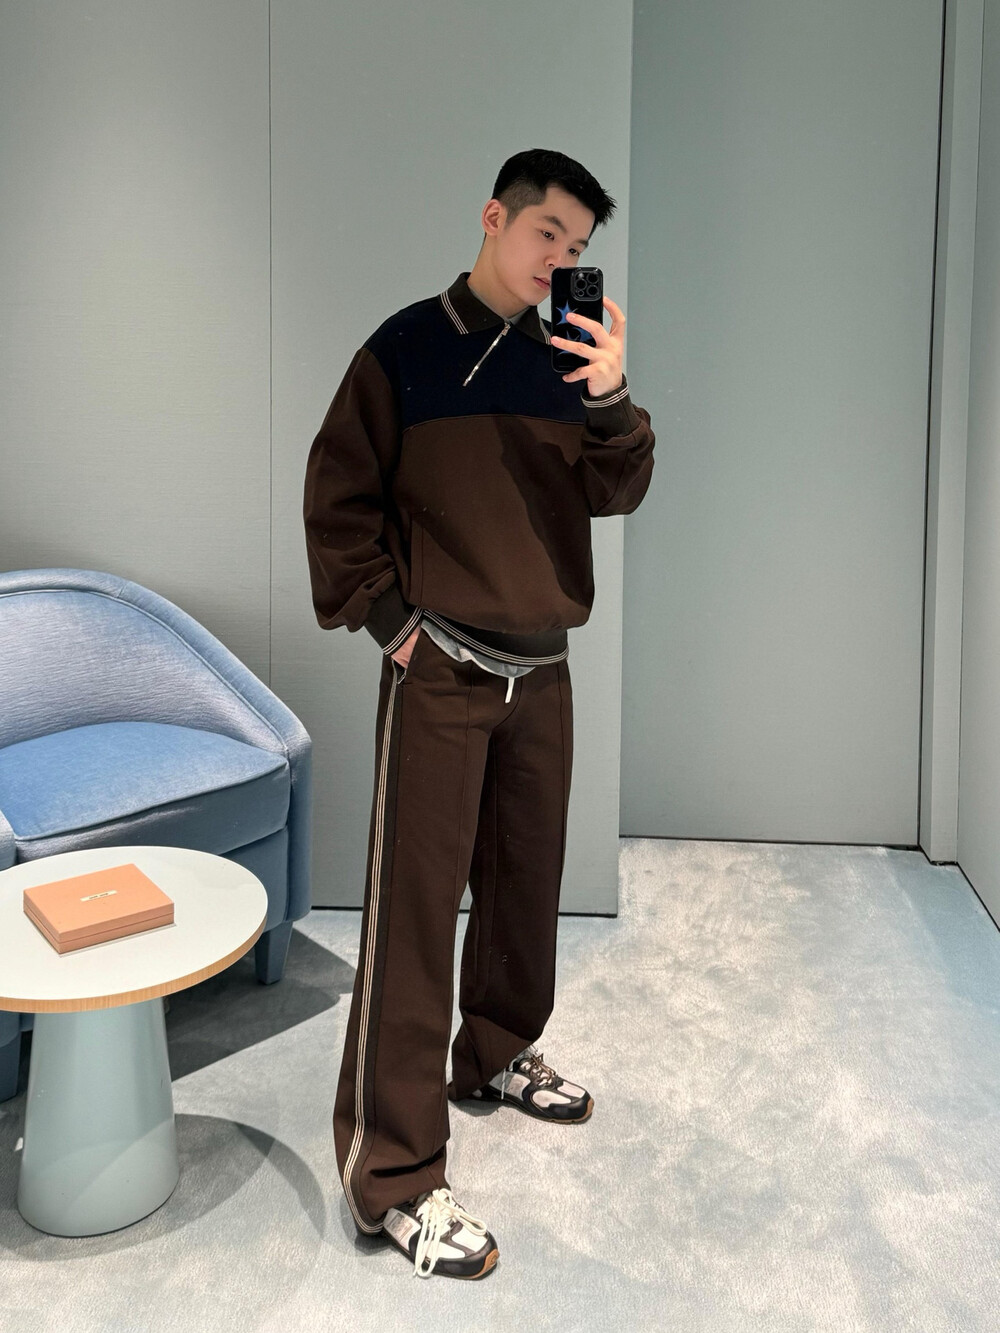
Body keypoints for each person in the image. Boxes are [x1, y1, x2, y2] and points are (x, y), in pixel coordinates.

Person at [302, 147, 656, 1280]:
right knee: (412, 918)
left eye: (578, 247)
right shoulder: (404, 350)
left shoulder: (569, 361)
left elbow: (619, 488)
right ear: (494, 217)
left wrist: (608, 396)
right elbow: (337, 495)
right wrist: (391, 624)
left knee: (522, 884)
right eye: (548, 233)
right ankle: (394, 1174)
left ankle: (495, 1050)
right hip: (443, 672)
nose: (561, 259)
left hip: (542, 670)